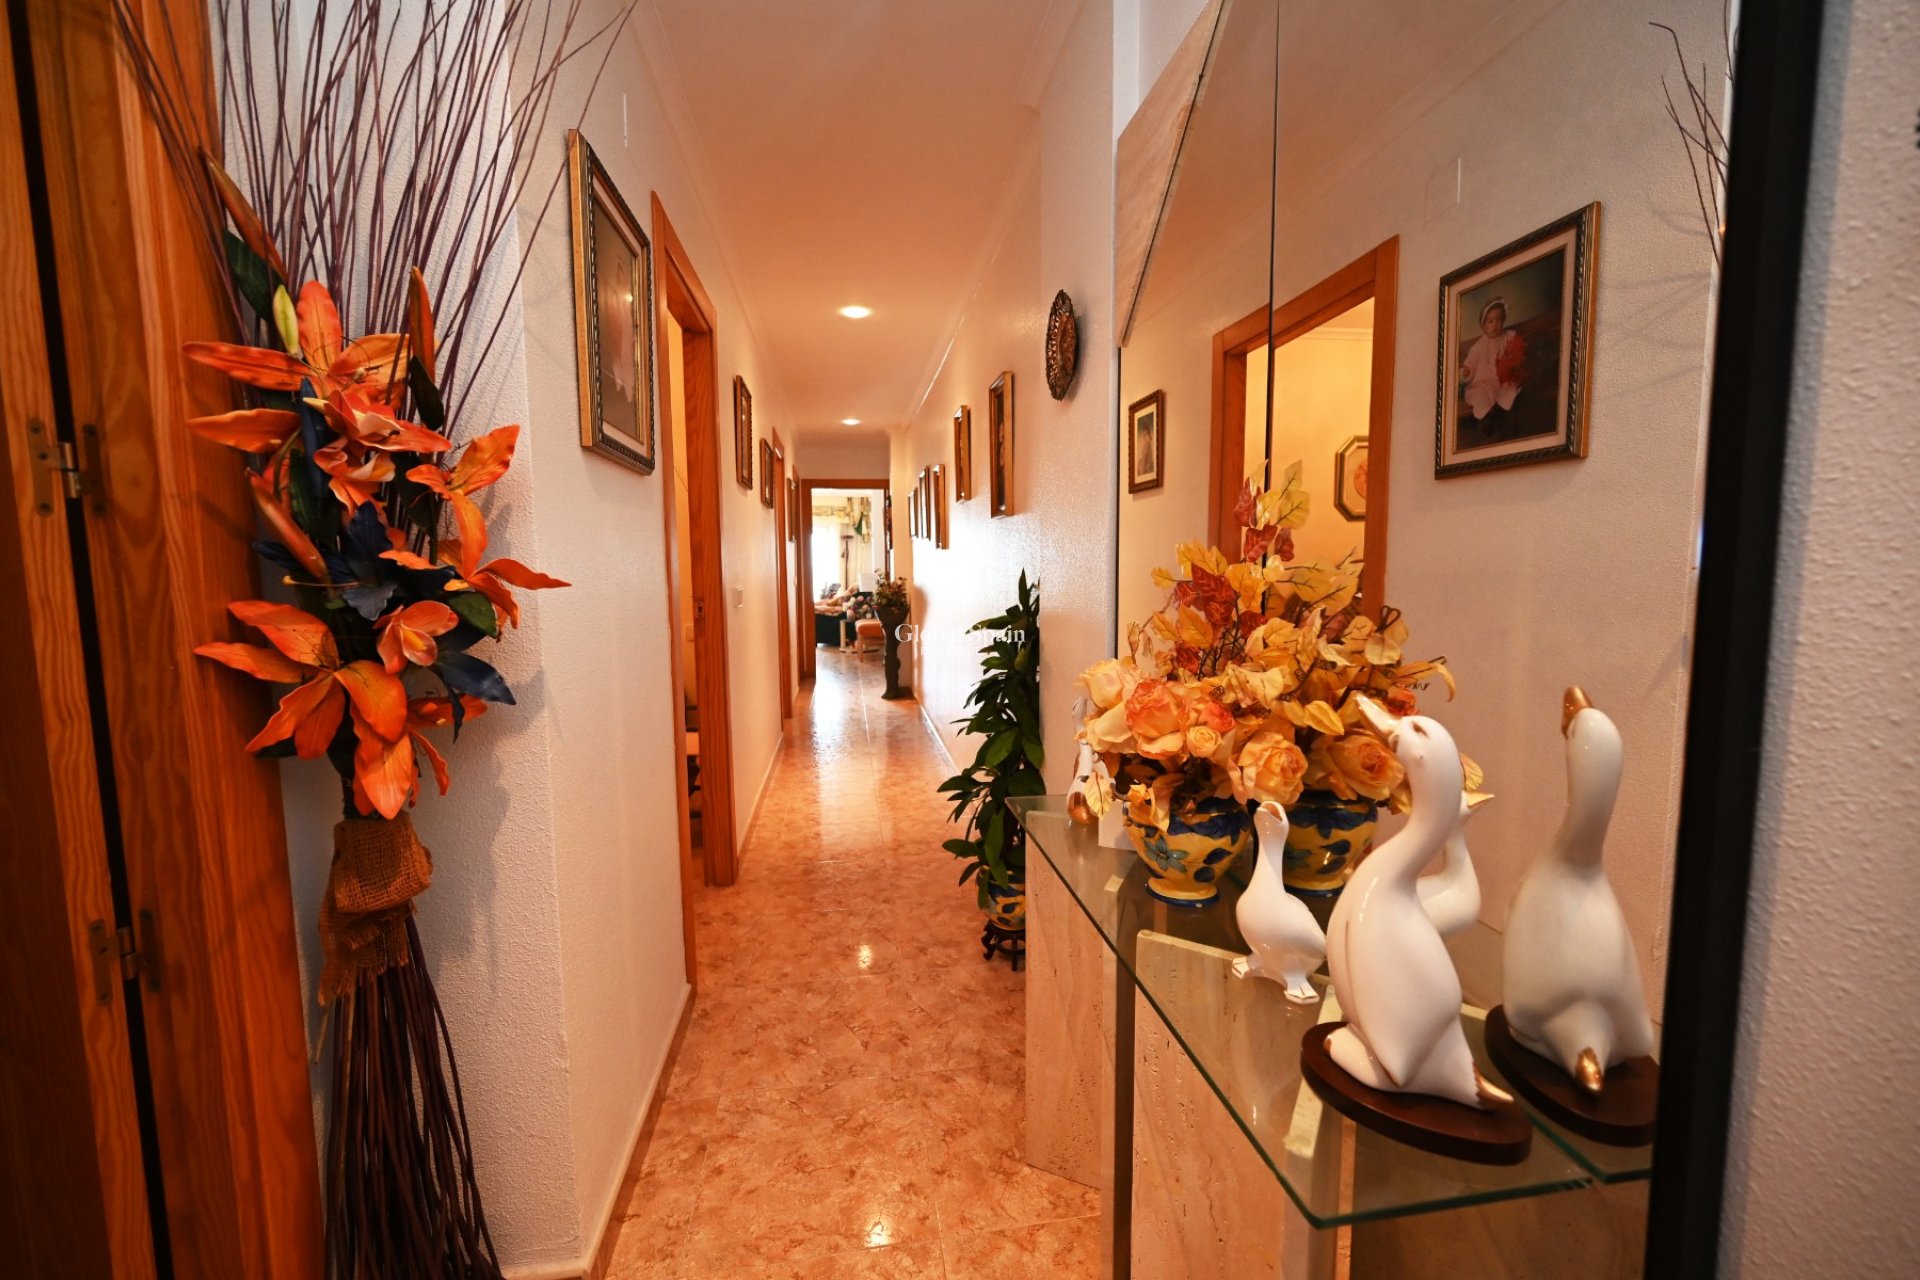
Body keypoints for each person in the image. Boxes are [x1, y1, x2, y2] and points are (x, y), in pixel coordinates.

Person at [1460, 297, 1527, 436]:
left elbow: (1517, 348)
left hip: (1502, 379)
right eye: (1490, 321)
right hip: (1483, 382)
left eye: (1499, 320)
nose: (1495, 324)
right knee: (1481, 396)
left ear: (1504, 321)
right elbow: (1471, 362)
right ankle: (1485, 420)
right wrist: (1467, 370)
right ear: (1483, 326)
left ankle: (1502, 417)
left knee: (1511, 390)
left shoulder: (1508, 336)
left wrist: (1515, 355)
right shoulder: (1479, 346)